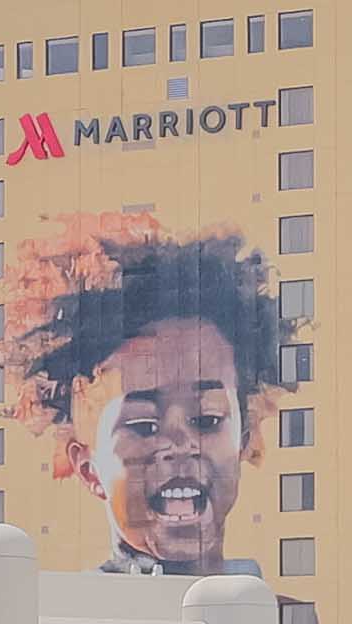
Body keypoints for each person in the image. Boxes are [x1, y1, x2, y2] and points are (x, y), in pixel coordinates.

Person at [16, 225, 290, 581]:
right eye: (144, 425)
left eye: (206, 419)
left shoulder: (282, 623)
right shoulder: (68, 621)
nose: (180, 445)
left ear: (245, 439)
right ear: (88, 468)